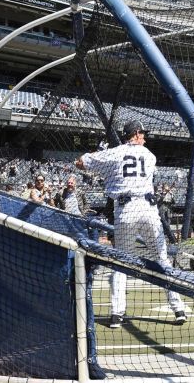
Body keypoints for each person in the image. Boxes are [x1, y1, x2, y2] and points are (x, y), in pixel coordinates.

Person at [75, 121, 186, 328]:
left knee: (121, 262)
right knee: (162, 259)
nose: (144, 136)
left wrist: (96, 154)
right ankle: (178, 308)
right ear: (135, 133)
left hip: (126, 210)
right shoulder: (150, 156)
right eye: (142, 133)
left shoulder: (115, 153)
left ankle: (117, 314)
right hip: (148, 209)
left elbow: (81, 162)